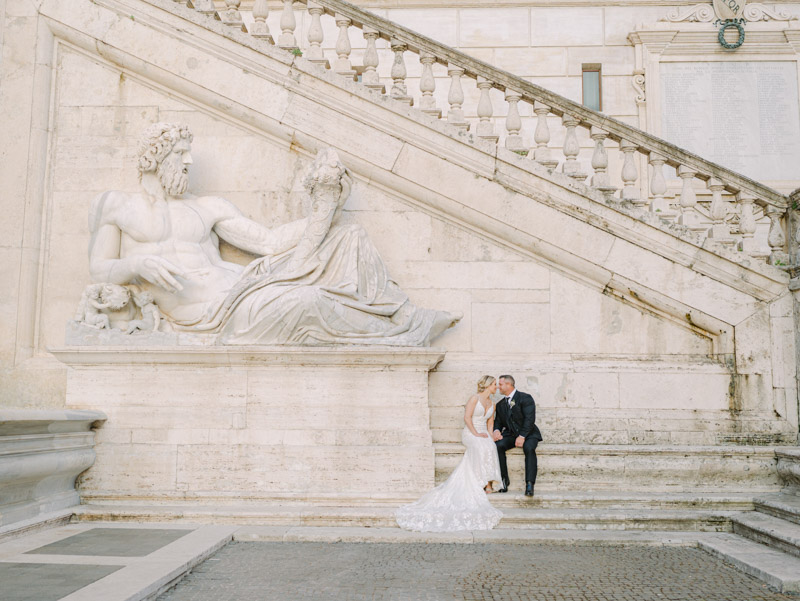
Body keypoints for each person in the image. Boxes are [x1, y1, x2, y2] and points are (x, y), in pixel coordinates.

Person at [86, 123, 460, 345]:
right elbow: (98, 269)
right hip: (203, 313)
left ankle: (400, 317)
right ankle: (400, 330)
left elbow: (269, 243)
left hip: (241, 291)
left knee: (348, 234)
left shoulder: (207, 207)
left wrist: (325, 209)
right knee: (309, 301)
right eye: (181, 152)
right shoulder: (116, 205)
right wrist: (136, 263)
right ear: (156, 155)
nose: (189, 161)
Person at [396, 375, 503, 532]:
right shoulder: (475, 399)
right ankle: (481, 481)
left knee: (490, 447)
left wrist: (489, 436)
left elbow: (490, 423)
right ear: (487, 385)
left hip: (483, 432)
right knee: (480, 446)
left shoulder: (492, 403)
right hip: (470, 432)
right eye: (494, 384)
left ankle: (488, 482)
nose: (497, 387)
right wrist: (476, 433)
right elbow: (467, 418)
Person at [492, 374, 542, 497]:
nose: (498, 387)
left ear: (508, 385)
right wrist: (496, 431)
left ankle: (530, 484)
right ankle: (504, 480)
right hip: (511, 434)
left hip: (529, 433)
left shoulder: (525, 398)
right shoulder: (500, 405)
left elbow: (530, 419)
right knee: (498, 446)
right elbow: (497, 421)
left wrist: (522, 436)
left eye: (501, 384)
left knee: (529, 448)